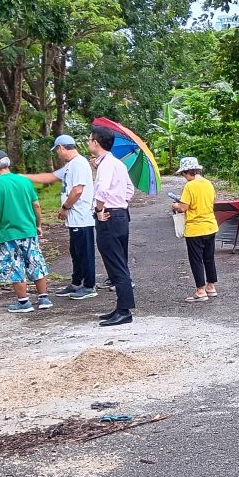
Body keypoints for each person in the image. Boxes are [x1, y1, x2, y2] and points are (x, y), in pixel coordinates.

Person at [23, 135, 97, 300]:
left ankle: (89, 285)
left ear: (62, 148)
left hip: (81, 217)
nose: (57, 154)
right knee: (76, 252)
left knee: (85, 252)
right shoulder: (70, 165)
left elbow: (78, 190)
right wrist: (20, 177)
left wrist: (65, 208)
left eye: (57, 150)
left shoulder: (79, 163)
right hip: (74, 218)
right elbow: (49, 177)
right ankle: (76, 282)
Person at [0, 149, 53, 313]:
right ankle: (44, 298)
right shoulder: (24, 181)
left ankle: (24, 303)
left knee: (15, 266)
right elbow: (36, 205)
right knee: (35, 262)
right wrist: (38, 225)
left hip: (8, 234)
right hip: (29, 230)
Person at [89, 125, 136, 326]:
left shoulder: (107, 165)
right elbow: (129, 189)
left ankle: (124, 310)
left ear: (96, 142)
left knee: (116, 265)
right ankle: (121, 307)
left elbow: (101, 191)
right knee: (119, 261)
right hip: (120, 215)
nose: (88, 142)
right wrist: (120, 204)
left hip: (108, 215)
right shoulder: (116, 164)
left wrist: (100, 210)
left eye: (89, 139)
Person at [170, 157, 220, 302]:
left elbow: (183, 207)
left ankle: (200, 291)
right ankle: (211, 287)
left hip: (195, 228)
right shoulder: (208, 183)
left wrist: (175, 205)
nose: (184, 177)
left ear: (187, 172)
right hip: (210, 225)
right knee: (209, 258)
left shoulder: (190, 186)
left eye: (183, 174)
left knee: (196, 260)